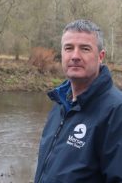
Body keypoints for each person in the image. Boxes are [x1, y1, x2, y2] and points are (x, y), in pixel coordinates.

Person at [34, 19, 122, 183]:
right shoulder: (60, 104)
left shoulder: (116, 111)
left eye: (85, 49)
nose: (75, 56)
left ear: (100, 56)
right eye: (68, 48)